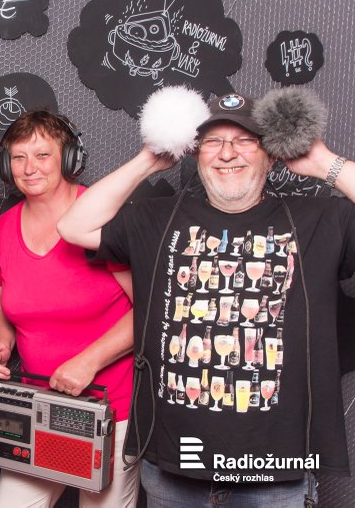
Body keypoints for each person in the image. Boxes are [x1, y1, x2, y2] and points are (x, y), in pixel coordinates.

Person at [57, 93, 355, 506]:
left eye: (245, 140)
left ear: (271, 154)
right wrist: (149, 159)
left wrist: (322, 162)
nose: (227, 153)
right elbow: (74, 227)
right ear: (195, 153)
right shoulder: (157, 219)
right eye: (213, 141)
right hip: (174, 467)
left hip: (275, 473)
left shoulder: (319, 219)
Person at [0, 111, 138, 507]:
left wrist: (89, 361)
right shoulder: (6, 225)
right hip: (39, 408)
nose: (29, 168)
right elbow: (1, 301)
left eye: (42, 155)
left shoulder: (101, 217)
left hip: (110, 411)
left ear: (69, 158)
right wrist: (0, 346)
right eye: (18, 157)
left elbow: (149, 310)